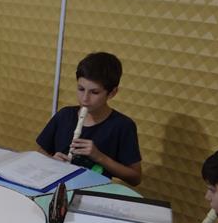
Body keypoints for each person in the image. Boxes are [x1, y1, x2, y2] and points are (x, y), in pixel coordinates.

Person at [35, 51, 142, 186]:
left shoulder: (122, 126)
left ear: (112, 93)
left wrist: (99, 157)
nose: (85, 99)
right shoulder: (64, 115)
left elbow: (135, 178)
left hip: (94, 191)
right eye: (81, 89)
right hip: (57, 186)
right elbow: (40, 152)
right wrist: (51, 161)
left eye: (94, 92)